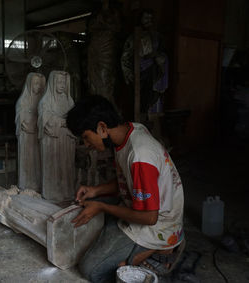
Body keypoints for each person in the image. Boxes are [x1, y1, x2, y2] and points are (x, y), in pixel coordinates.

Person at [66, 95, 184, 282]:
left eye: (86, 137)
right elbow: (130, 180)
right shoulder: (129, 131)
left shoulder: (140, 156)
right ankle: (127, 252)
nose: (87, 144)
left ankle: (162, 249)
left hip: (159, 222)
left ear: (102, 128)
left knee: (91, 270)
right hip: (140, 204)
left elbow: (149, 217)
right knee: (90, 204)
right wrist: (95, 191)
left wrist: (102, 207)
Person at [38, 71, 77, 201]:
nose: (62, 85)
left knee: (66, 166)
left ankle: (66, 192)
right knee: (53, 166)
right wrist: (61, 121)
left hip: (66, 140)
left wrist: (67, 123)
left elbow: (73, 117)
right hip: (52, 141)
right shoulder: (46, 100)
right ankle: (52, 193)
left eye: (64, 83)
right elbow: (45, 119)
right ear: (53, 83)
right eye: (59, 82)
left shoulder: (69, 100)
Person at [15, 72, 46, 192]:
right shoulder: (23, 101)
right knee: (27, 159)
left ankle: (38, 184)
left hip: (38, 136)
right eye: (35, 84)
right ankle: (26, 184)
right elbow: (20, 118)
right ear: (29, 84)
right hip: (27, 136)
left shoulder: (43, 101)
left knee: (37, 160)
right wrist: (26, 125)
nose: (37, 87)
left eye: (39, 84)